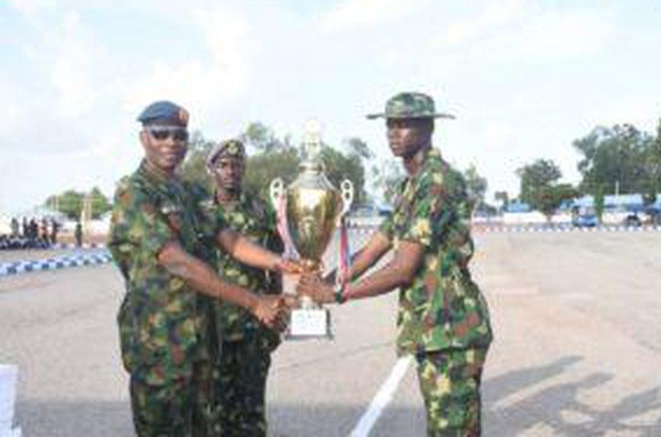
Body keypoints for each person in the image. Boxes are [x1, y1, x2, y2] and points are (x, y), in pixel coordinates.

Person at [299, 92, 493, 437]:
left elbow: (403, 267)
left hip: (451, 329)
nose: (393, 132)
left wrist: (340, 293)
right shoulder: (410, 186)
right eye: (390, 125)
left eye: (404, 124)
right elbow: (373, 248)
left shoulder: (436, 182)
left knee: (452, 431)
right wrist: (317, 286)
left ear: (428, 128)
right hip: (435, 330)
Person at [108, 100, 301, 437]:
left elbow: (231, 241)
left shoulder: (190, 192)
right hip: (161, 346)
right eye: (161, 134)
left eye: (179, 136)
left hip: (202, 343)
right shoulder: (134, 193)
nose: (171, 143)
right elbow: (177, 262)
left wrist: (283, 262)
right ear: (144, 139)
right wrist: (254, 301)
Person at [202, 139, 284, 436]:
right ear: (211, 169)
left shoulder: (261, 210)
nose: (231, 171)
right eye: (223, 165)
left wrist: (278, 310)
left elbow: (274, 264)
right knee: (214, 412)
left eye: (237, 165)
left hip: (253, 325)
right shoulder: (198, 212)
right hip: (213, 325)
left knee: (250, 411)